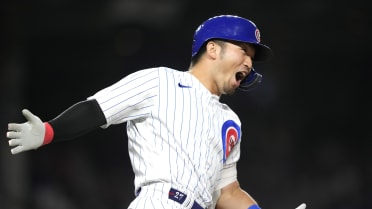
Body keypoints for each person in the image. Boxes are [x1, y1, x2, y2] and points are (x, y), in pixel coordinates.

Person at [6, 15, 305, 209]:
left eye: (252, 57)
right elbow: (98, 109)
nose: (250, 63)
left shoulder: (230, 120)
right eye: (245, 51)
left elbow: (227, 192)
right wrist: (48, 131)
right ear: (213, 49)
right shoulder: (160, 81)